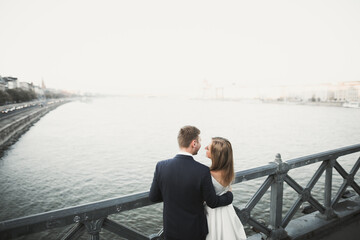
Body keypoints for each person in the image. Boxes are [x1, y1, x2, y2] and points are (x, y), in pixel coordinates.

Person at [149, 126, 233, 240]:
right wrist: (229, 196)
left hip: (171, 229)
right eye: (200, 141)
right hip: (195, 230)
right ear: (194, 143)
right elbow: (212, 201)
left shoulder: (161, 166)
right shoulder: (202, 171)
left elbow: (153, 197)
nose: (201, 146)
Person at [204, 137, 247, 240]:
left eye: (208, 148)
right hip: (227, 211)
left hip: (212, 214)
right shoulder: (228, 171)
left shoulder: (206, 173)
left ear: (215, 154)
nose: (205, 147)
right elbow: (228, 190)